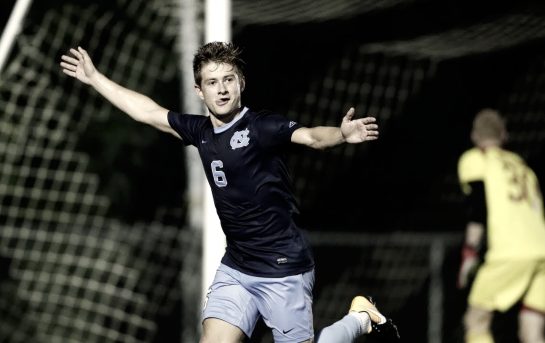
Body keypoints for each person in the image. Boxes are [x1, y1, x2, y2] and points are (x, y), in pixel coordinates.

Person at [60, 42, 400, 343]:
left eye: (228, 80)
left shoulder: (262, 127)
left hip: (283, 269)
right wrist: (95, 78)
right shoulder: (200, 131)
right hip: (237, 268)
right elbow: (147, 112)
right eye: (212, 82)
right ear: (199, 90)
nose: (221, 90)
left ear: (241, 83)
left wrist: (340, 135)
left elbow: (311, 137)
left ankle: (360, 319)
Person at [456, 108, 545, 343]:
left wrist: (470, 251)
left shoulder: (477, 158)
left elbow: (478, 207)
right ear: (504, 135)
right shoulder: (523, 166)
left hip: (509, 253)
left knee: (476, 320)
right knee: (532, 332)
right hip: (542, 253)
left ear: (475, 136)